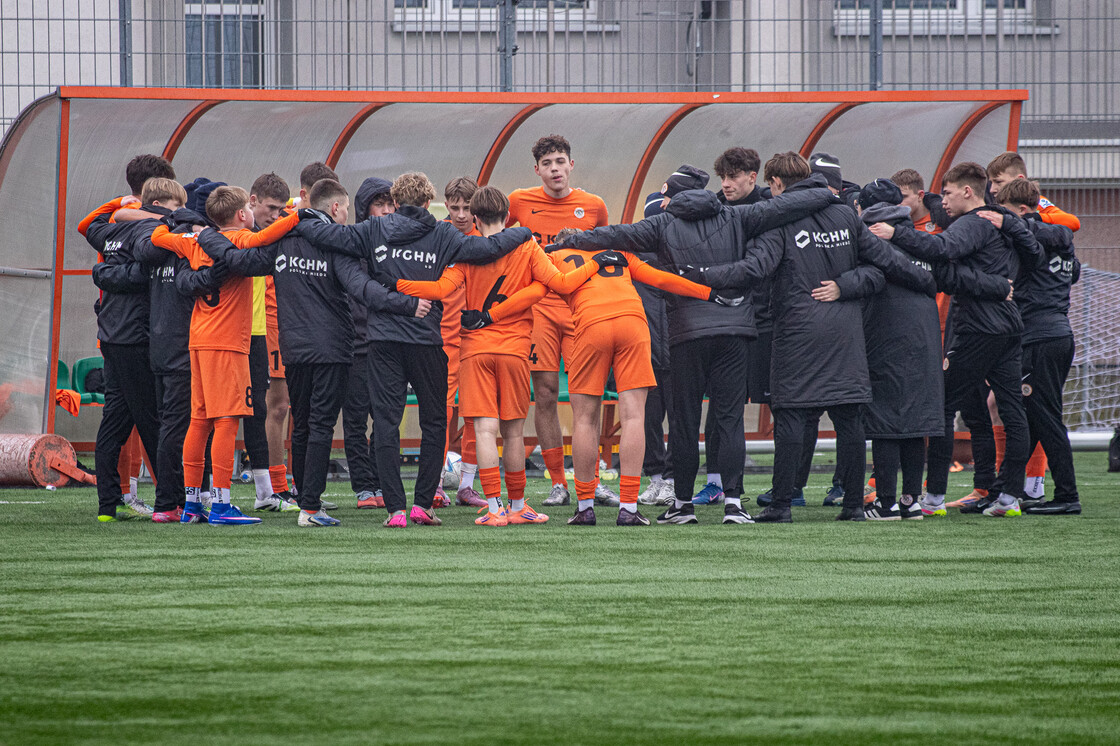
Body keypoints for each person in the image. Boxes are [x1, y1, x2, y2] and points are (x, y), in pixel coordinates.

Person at [544, 162, 836, 525]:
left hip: (685, 332)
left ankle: (681, 505)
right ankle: (733, 504)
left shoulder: (662, 223)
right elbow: (782, 207)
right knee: (729, 420)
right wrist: (825, 194)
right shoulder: (737, 217)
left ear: (672, 200)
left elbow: (619, 234)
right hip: (735, 331)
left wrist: (573, 239)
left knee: (683, 422)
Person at [694, 153, 937, 523]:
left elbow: (757, 268)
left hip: (797, 332)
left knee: (791, 418)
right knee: (849, 420)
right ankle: (854, 506)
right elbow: (880, 264)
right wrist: (856, 284)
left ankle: (782, 505)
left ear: (775, 183)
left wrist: (702, 276)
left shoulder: (778, 219)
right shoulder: (844, 214)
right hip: (845, 335)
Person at [294, 172, 532, 527]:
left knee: (386, 422)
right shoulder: (443, 232)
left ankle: (395, 510)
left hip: (382, 341)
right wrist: (524, 231)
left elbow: (324, 233)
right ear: (427, 202)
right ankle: (423, 504)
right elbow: (488, 248)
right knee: (435, 422)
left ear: (396, 200)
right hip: (426, 340)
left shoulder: (373, 230)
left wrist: (299, 215)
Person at [393, 186, 608, 525]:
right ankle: (519, 505)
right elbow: (562, 284)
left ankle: (494, 510)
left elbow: (438, 290)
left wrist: (395, 284)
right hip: (515, 349)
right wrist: (596, 263)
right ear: (508, 216)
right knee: (512, 432)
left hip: (475, 350)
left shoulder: (465, 250)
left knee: (483, 430)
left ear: (474, 217)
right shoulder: (527, 246)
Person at [869, 161, 1043, 518]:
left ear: (967, 191)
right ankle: (1010, 495)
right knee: (1011, 410)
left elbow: (940, 250)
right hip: (1010, 326)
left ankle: (932, 497)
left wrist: (895, 234)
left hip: (979, 327)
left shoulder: (974, 222)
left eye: (946, 192)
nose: (942, 201)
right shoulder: (1000, 222)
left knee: (940, 407)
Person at [839, 179, 1011, 520]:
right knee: (917, 422)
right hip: (927, 339)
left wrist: (837, 288)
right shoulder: (923, 240)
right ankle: (910, 502)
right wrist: (998, 286)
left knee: (886, 422)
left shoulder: (869, 238)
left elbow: (866, 279)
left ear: (865, 209)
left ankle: (886, 502)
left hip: (885, 337)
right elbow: (954, 276)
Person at [150, 186, 299, 525]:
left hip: (198, 340)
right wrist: (298, 215)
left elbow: (158, 236)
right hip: (229, 343)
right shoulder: (241, 240)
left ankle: (191, 504)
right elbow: (274, 234)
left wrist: (182, 223)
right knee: (227, 421)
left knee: (199, 421)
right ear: (241, 214)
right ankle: (220, 503)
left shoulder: (192, 241)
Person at [98, 178, 227, 523]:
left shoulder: (151, 239)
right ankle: (173, 502)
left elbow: (92, 226)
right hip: (172, 344)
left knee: (149, 421)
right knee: (173, 424)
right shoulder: (176, 240)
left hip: (150, 342)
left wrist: (104, 266)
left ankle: (134, 502)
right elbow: (186, 282)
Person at [506, 134, 618, 508]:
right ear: (536, 169)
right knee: (547, 393)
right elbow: (499, 241)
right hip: (538, 310)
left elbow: (607, 252)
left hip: (580, 309)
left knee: (588, 397)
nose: (555, 169)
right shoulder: (518, 202)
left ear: (572, 165)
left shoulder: (593, 206)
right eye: (548, 163)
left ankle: (593, 478)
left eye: (560, 161)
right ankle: (558, 482)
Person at [77, 154, 175, 522]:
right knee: (152, 418)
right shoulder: (146, 232)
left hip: (112, 335)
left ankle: (108, 504)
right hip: (136, 336)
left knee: (116, 419)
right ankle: (170, 501)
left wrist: (121, 207)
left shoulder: (111, 229)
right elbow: (143, 270)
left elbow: (88, 225)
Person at [983, 178, 1081, 515]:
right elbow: (1073, 266)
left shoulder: (1036, 235)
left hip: (1040, 338)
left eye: (1007, 214)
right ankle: (1002, 490)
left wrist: (1011, 224)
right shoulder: (1058, 238)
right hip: (1055, 335)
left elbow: (1057, 232)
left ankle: (1067, 496)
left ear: (1023, 211)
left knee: (1046, 418)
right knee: (1035, 417)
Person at [242, 172, 301, 512]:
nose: (274, 215)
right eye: (270, 208)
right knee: (274, 406)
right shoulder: (243, 234)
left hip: (282, 325)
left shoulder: (279, 226)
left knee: (282, 406)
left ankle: (278, 485)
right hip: (261, 327)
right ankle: (275, 486)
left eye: (281, 210)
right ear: (251, 202)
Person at [344, 177, 400, 510]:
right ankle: (363, 486)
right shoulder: (352, 243)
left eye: (391, 204)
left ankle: (380, 481)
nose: (387, 210)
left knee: (385, 417)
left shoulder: (397, 245)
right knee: (354, 419)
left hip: (388, 343)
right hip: (355, 345)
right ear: (365, 209)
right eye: (379, 204)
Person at [438, 176, 484, 508]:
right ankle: (436, 482)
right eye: (454, 207)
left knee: (477, 413)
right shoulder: (437, 236)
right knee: (442, 412)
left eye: (467, 207)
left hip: (479, 339)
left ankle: (467, 484)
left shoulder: (487, 239)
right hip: (442, 338)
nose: (461, 214)